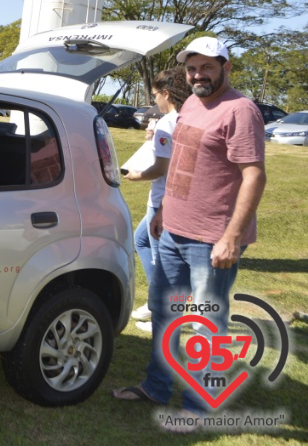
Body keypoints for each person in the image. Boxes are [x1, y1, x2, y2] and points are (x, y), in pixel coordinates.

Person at [112, 36, 267, 432]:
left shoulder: (241, 110)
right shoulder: (192, 105)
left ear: (226, 68)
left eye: (208, 68)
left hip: (212, 237)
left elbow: (253, 175)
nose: (199, 75)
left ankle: (198, 408)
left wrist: (231, 237)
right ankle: (157, 387)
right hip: (173, 229)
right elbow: (180, 164)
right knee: (166, 314)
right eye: (193, 68)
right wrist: (163, 209)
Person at [124, 68, 191, 332]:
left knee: (162, 262)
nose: (155, 102)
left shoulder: (166, 122)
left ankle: (165, 316)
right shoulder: (188, 118)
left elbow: (161, 169)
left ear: (166, 93)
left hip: (162, 201)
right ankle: (156, 304)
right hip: (179, 198)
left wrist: (135, 175)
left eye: (155, 96)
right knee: (140, 240)